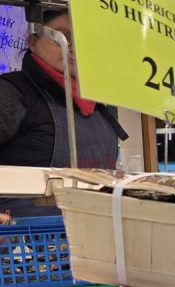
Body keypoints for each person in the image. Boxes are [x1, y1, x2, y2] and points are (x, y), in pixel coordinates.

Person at [0, 8, 128, 216]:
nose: (72, 47)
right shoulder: (11, 93)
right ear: (33, 42)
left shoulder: (99, 105)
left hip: (90, 238)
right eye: (62, 36)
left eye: (82, 39)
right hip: (23, 243)